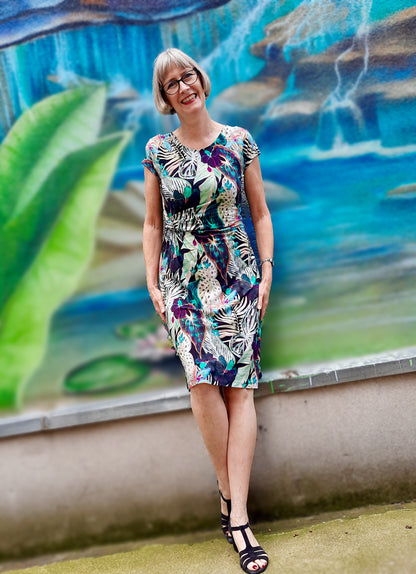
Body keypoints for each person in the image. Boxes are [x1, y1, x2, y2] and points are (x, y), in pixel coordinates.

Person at [142, 48, 273, 574]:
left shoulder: (239, 142)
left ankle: (237, 517)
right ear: (165, 97)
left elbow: (260, 213)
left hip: (237, 274)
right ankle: (229, 492)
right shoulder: (157, 150)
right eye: (171, 83)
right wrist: (151, 280)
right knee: (202, 382)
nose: (183, 86)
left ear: (201, 79)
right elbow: (153, 224)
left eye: (188, 75)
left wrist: (266, 271)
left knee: (239, 389)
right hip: (181, 278)